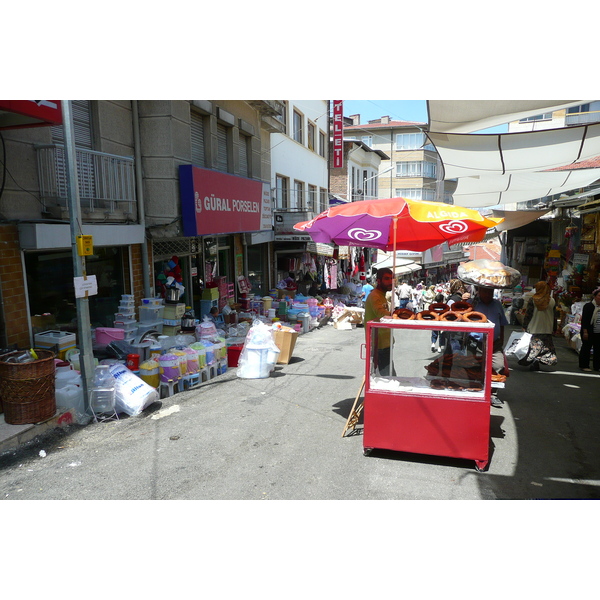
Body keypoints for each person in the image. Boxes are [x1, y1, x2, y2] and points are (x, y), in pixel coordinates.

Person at [471, 286, 509, 407]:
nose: (488, 294)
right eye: (485, 291)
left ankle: (492, 394)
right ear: (479, 291)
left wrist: (501, 340)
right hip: (476, 342)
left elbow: (502, 323)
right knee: (475, 367)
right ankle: (476, 391)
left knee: (498, 365)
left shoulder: (497, 304)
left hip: (494, 343)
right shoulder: (472, 303)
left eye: (491, 292)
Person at [518, 280, 558, 371]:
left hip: (534, 327)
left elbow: (529, 314)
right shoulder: (552, 300)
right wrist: (554, 328)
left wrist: (525, 325)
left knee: (534, 346)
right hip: (547, 328)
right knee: (545, 347)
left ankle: (534, 360)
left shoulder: (533, 300)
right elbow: (555, 316)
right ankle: (538, 359)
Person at [364, 267, 395, 375]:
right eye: (387, 279)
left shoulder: (382, 295)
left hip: (386, 342)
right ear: (378, 281)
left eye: (392, 278)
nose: (390, 282)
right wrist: (397, 315)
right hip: (379, 344)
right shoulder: (375, 296)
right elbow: (381, 314)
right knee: (387, 379)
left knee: (389, 375)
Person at [579, 287, 600, 372]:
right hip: (588, 331)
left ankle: (597, 366)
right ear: (594, 296)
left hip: (598, 332)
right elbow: (585, 320)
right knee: (586, 348)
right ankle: (584, 365)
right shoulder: (589, 306)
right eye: (599, 295)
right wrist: (585, 332)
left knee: (598, 349)